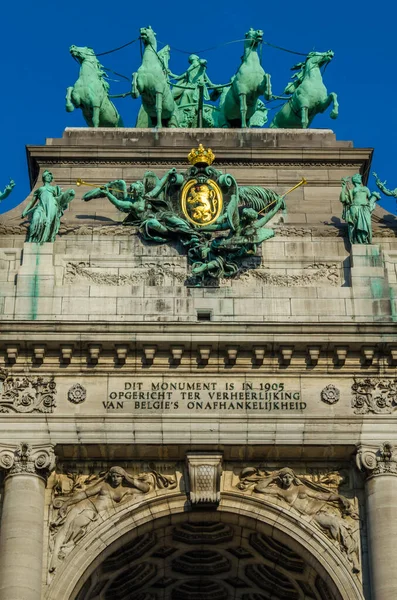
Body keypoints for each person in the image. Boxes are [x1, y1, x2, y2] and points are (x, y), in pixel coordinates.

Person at [241, 467, 360, 572]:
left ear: (293, 478)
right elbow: (259, 488)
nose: (287, 480)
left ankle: (353, 558)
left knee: (336, 524)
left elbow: (320, 495)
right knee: (335, 526)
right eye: (284, 477)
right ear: (281, 479)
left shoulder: (301, 489)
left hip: (318, 513)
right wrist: (273, 477)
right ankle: (348, 555)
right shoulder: (280, 492)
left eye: (289, 477)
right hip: (307, 518)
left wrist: (339, 497)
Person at [49, 467, 152, 572]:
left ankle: (65, 549)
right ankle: (58, 553)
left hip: (97, 515)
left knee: (77, 527)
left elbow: (146, 489)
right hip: (86, 506)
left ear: (123, 477)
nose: (115, 479)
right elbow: (85, 494)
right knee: (68, 527)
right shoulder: (104, 485)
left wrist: (129, 478)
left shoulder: (126, 489)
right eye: (113, 476)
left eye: (118, 477)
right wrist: (67, 503)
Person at [22, 171, 75, 243]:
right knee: (35, 220)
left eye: (50, 176)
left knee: (48, 223)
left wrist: (68, 194)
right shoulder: (39, 190)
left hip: (52, 206)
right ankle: (31, 238)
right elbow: (32, 202)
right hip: (41, 207)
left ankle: (46, 237)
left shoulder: (55, 189)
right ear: (44, 177)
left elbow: (60, 198)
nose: (49, 177)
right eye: (47, 176)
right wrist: (25, 211)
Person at [340, 173, 380, 244]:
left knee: (368, 224)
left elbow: (370, 198)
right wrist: (343, 187)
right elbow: (343, 199)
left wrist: (375, 197)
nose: (360, 179)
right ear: (355, 180)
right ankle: (359, 241)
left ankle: (366, 240)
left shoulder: (365, 188)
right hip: (354, 208)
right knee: (356, 226)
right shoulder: (352, 190)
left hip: (364, 208)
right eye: (358, 177)